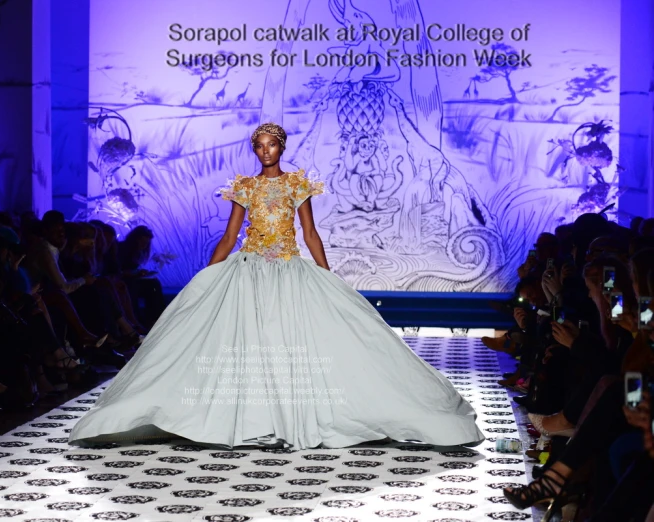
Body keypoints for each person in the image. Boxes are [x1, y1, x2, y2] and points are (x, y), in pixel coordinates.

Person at [68, 122, 484, 450]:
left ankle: (289, 415)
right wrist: (207, 272)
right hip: (248, 269)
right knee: (244, 343)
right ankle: (249, 417)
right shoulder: (244, 187)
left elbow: (310, 231)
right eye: (259, 145)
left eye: (271, 144)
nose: (265, 151)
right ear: (255, 150)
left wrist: (324, 271)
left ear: (281, 148)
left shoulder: (296, 185)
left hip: (288, 269)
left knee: (293, 343)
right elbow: (230, 236)